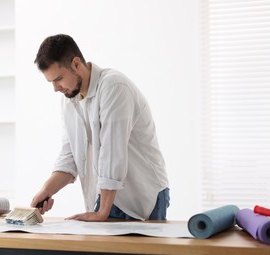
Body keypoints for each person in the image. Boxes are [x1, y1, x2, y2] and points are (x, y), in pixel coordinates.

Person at [31, 34, 169, 222]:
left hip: (141, 195)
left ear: (76, 64)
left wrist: (101, 212)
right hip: (106, 197)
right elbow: (70, 155)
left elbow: (112, 153)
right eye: (51, 82)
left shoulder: (114, 87)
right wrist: (46, 191)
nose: (56, 88)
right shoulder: (70, 100)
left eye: (59, 79)